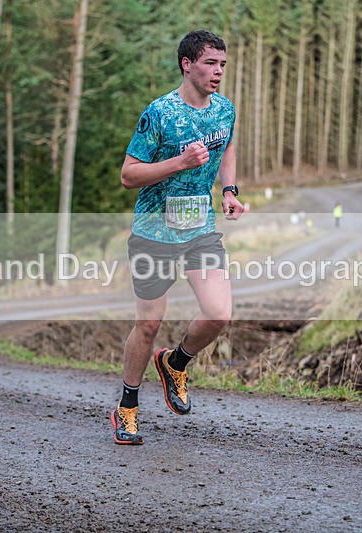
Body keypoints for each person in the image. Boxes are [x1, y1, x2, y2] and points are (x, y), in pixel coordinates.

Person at [110, 29, 244, 445]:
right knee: (148, 324)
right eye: (210, 63)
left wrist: (229, 190)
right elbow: (129, 175)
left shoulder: (224, 110)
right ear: (187, 64)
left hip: (199, 229)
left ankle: (175, 362)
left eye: (222, 64)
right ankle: (127, 407)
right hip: (154, 233)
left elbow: (226, 148)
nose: (218, 71)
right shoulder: (160, 113)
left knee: (219, 313)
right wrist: (179, 162)